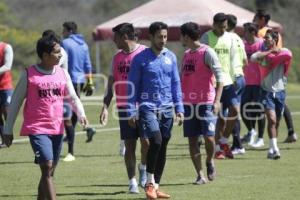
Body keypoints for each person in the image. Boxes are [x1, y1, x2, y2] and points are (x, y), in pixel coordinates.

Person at [3, 35, 88, 200]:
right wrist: (7, 129)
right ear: (45, 56)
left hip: (57, 128)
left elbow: (72, 97)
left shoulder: (63, 73)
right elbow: (15, 103)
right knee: (47, 167)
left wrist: (82, 114)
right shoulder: (29, 74)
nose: (60, 55)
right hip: (37, 128)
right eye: (57, 52)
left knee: (49, 171)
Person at [127, 22, 184, 199]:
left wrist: (179, 107)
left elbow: (176, 84)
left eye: (165, 36)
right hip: (147, 107)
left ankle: (156, 186)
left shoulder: (171, 57)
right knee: (156, 141)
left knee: (163, 146)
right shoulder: (140, 59)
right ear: (151, 37)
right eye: (160, 37)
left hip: (167, 108)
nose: (163, 40)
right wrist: (130, 109)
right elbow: (132, 86)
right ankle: (149, 183)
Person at [99, 23, 149, 193]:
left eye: (116, 37)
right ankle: (132, 181)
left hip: (143, 105)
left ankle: (143, 167)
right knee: (130, 144)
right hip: (124, 106)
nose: (114, 40)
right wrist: (105, 107)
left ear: (125, 36)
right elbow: (111, 84)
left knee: (146, 143)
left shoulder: (145, 52)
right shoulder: (117, 58)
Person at [180, 22, 223, 184]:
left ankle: (209, 160)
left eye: (181, 35)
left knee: (209, 138)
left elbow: (220, 79)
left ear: (186, 36)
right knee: (192, 140)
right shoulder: (185, 55)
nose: (180, 39)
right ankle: (200, 175)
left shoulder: (208, 52)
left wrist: (217, 101)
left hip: (206, 103)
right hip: (188, 104)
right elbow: (181, 79)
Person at [200, 13, 241, 159]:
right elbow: (201, 59)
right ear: (214, 25)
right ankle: (217, 149)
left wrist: (235, 75)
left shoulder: (230, 37)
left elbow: (232, 58)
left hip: (227, 82)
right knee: (218, 117)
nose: (224, 29)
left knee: (235, 110)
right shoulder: (206, 37)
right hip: (212, 83)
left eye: (226, 26)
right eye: (221, 27)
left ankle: (223, 141)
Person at [253, 9, 297, 143]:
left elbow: (260, 52)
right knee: (270, 110)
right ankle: (285, 134)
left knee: (269, 110)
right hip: (275, 67)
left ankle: (259, 137)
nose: (253, 20)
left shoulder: (261, 32)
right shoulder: (274, 32)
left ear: (261, 18)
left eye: (255, 17)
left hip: (269, 68)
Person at [250, 29, 292, 159]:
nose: (265, 40)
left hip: (280, 93)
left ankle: (270, 149)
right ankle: (276, 149)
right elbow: (252, 58)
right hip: (266, 92)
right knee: (272, 119)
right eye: (265, 38)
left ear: (274, 40)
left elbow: (288, 55)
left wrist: (274, 56)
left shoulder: (284, 51)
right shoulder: (261, 54)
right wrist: (269, 52)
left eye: (267, 38)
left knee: (276, 122)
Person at [61, 21, 96, 162]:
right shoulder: (84, 45)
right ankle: (85, 129)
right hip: (81, 81)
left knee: (67, 115)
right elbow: (88, 65)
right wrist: (90, 83)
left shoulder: (65, 43)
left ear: (69, 30)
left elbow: (63, 63)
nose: (62, 32)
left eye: (63, 30)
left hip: (68, 81)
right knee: (75, 109)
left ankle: (71, 151)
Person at [240, 23, 266, 148]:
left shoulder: (261, 43)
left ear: (252, 32)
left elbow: (268, 59)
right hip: (245, 83)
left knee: (259, 110)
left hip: (259, 83)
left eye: (245, 31)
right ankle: (251, 131)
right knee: (243, 108)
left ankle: (260, 138)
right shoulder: (242, 44)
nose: (243, 34)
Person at [226, 14, 247, 155]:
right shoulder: (239, 38)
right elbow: (245, 60)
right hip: (240, 77)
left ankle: (236, 144)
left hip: (232, 79)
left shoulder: (226, 39)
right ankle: (237, 144)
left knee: (230, 112)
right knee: (235, 112)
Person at [0, 40, 13, 148]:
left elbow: (7, 66)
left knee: (6, 112)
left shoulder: (6, 47)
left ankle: (9, 136)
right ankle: (4, 141)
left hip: (5, 86)